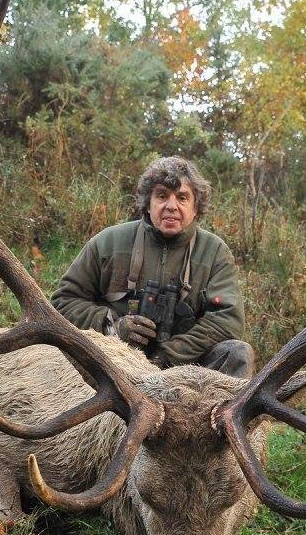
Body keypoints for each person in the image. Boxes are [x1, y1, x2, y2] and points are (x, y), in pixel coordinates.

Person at [51, 157, 254, 378]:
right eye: (162, 195)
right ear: (148, 204)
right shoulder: (108, 242)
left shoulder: (215, 252)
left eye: (182, 197)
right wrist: (112, 326)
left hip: (186, 367)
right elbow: (63, 302)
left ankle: (225, 414)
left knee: (237, 353)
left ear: (196, 208)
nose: (171, 206)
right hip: (114, 360)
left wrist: (168, 355)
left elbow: (227, 321)